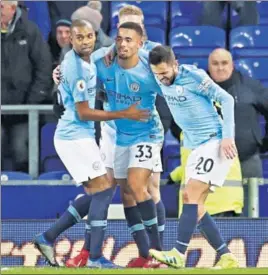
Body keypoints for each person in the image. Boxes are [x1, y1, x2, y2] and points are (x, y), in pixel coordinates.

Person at [52, 7, 167, 268]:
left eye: (133, 30)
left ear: (142, 32)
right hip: (113, 130)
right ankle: (89, 251)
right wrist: (58, 75)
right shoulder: (103, 55)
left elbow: (173, 87)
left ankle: (155, 254)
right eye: (122, 31)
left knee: (146, 188)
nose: (126, 38)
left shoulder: (153, 57)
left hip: (145, 129)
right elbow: (74, 69)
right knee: (107, 189)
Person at [33, 19, 149, 269]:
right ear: (70, 40)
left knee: (99, 191)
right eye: (80, 37)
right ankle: (95, 257)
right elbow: (84, 112)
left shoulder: (85, 60)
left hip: (78, 135)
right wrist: (123, 114)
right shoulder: (78, 70)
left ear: (95, 36)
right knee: (104, 190)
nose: (85, 41)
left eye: (89, 36)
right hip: (74, 135)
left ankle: (48, 237)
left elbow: (110, 54)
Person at [148, 45, 239, 269]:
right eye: (157, 74)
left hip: (215, 141)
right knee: (195, 205)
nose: (161, 78)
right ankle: (226, 256)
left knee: (190, 194)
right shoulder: (157, 76)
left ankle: (178, 253)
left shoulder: (194, 77)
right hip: (197, 147)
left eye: (165, 73)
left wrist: (228, 137)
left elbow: (227, 100)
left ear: (175, 65)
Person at [1, 0, 52, 172]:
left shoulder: (30, 31)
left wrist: (31, 102)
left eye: (1, 7)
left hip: (25, 110)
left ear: (13, 8)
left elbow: (43, 67)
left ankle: (23, 192)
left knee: (21, 150)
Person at [208, 48, 268, 179]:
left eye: (224, 63)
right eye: (215, 63)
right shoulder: (197, 88)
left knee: (249, 199)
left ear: (232, 65)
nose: (220, 68)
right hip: (210, 162)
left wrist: (265, 143)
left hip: (247, 160)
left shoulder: (251, 86)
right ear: (208, 66)